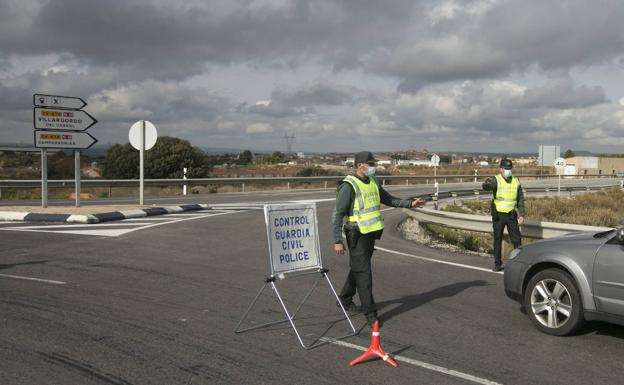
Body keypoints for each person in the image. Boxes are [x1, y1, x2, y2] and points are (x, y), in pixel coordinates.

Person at [332, 151, 425, 326]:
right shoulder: (348, 185)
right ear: (360, 165)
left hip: (371, 233)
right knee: (364, 273)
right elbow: (337, 215)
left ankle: (344, 298)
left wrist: (409, 203)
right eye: (371, 164)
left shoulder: (374, 181)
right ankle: (370, 313)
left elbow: (388, 199)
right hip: (356, 235)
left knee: (359, 269)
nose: (374, 167)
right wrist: (338, 240)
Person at [482, 158, 526, 272]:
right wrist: (485, 184)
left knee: (517, 240)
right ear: (501, 169)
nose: (508, 171)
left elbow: (520, 198)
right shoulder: (496, 179)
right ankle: (497, 263)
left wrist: (521, 214)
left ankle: (518, 262)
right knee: (497, 239)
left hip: (511, 215)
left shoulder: (516, 181)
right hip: (498, 215)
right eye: (506, 169)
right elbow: (488, 187)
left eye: (510, 169)